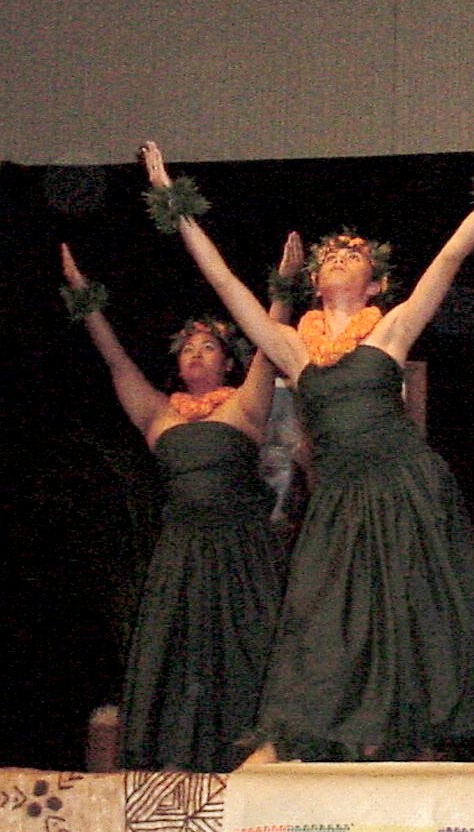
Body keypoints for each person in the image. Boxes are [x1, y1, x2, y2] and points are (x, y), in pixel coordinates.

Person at [138, 120, 474, 762]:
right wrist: (176, 206)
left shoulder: (392, 333)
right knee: (317, 617)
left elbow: (450, 259)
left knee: (415, 618)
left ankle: (412, 747)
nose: (337, 260)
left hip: (406, 483)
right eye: (329, 258)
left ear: (376, 285)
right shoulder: (294, 350)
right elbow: (226, 287)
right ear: (314, 284)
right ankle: (285, 738)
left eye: (352, 256)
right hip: (341, 497)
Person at [59, 238, 298, 771]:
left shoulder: (245, 407)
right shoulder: (156, 414)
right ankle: (176, 763)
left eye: (209, 346)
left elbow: (267, 345)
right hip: (182, 555)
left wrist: (283, 288)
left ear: (227, 361)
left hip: (242, 553)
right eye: (188, 347)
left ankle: (260, 757)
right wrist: (84, 296)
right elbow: (115, 358)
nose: (196, 352)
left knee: (248, 651)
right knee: (180, 657)